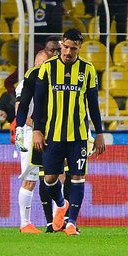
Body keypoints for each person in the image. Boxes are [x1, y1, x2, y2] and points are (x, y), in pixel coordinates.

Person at [32, 29, 106, 235]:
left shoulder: (88, 69)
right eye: (65, 47)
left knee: (77, 177)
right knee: (49, 179)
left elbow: (93, 104)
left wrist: (99, 133)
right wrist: (37, 130)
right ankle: (62, 204)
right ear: (61, 45)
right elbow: (39, 102)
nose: (68, 52)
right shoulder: (47, 68)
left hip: (78, 135)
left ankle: (71, 223)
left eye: (73, 48)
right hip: (53, 134)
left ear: (79, 48)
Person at [13, 46, 58, 233]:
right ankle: (25, 223)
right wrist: (38, 127)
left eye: (45, 64)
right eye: (39, 64)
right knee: (30, 179)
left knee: (55, 176)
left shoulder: (52, 82)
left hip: (47, 133)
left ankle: (57, 222)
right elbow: (19, 110)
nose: (42, 68)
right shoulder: (25, 83)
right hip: (30, 133)